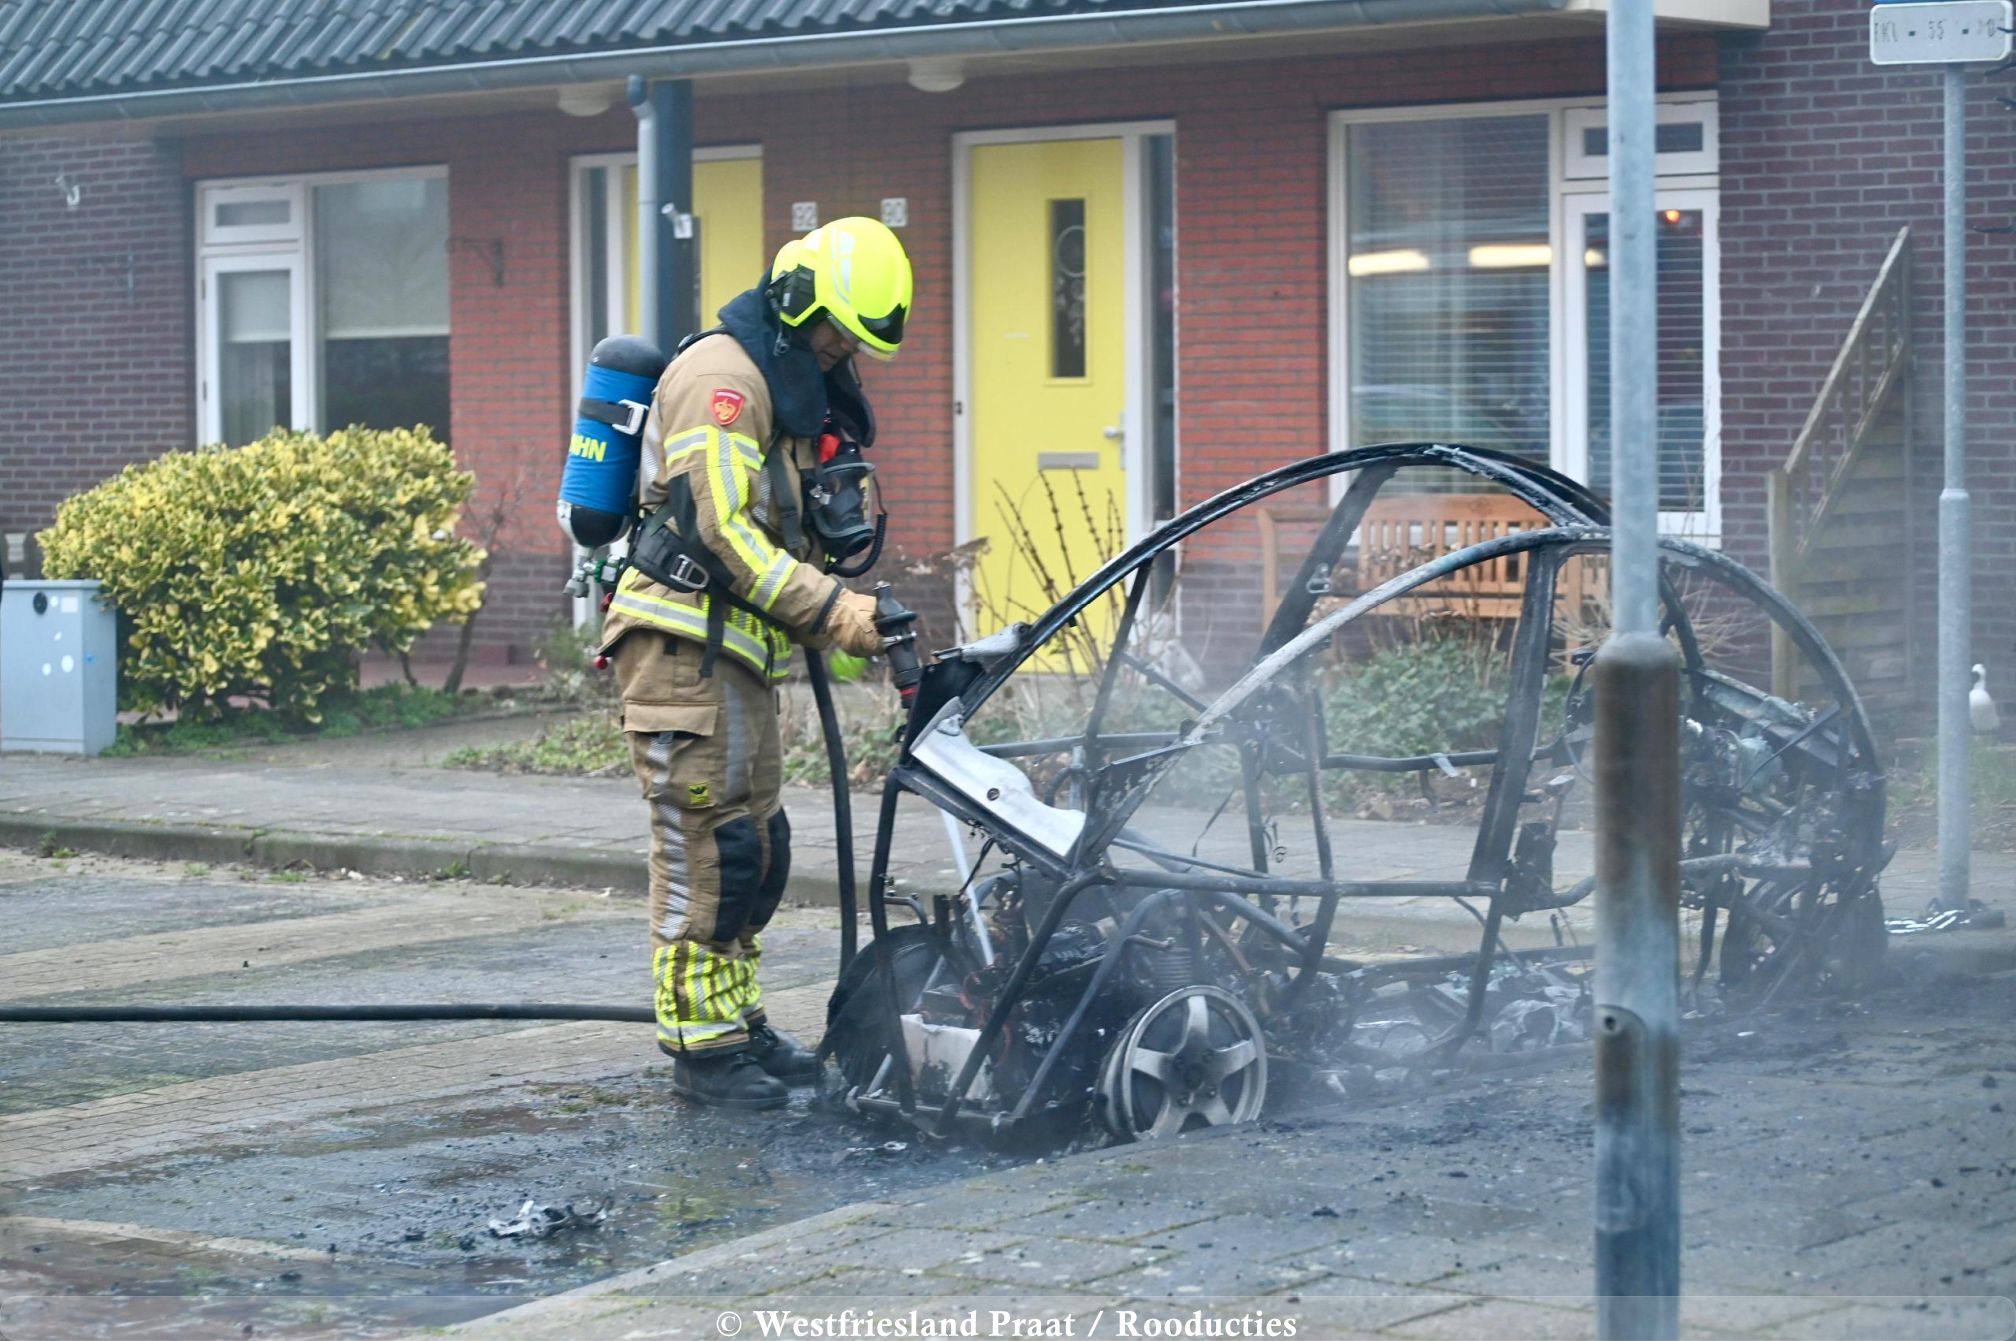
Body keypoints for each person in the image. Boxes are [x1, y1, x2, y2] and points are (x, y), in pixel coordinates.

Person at [597, 217, 911, 1110]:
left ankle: (736, 1022)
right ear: (803, 305)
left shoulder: (778, 378)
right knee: (711, 848)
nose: (842, 355)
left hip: (732, 653)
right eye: (838, 336)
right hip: (679, 652)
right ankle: (702, 1050)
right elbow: (723, 528)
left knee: (759, 846)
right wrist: (836, 613)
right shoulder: (724, 383)